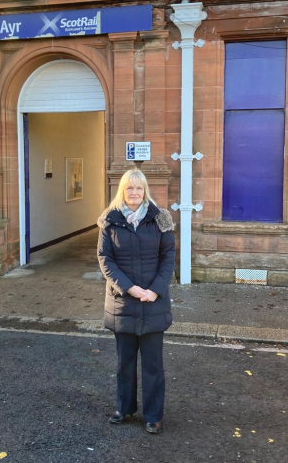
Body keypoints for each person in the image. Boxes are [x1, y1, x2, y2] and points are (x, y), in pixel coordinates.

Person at [97, 168, 175, 434]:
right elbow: (105, 259)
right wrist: (130, 289)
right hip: (123, 302)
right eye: (129, 188)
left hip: (153, 301)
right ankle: (124, 408)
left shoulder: (160, 219)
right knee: (124, 362)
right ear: (122, 190)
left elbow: (168, 258)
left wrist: (154, 290)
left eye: (139, 188)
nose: (134, 193)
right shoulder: (110, 220)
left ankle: (153, 415)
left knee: (153, 364)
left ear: (145, 191)